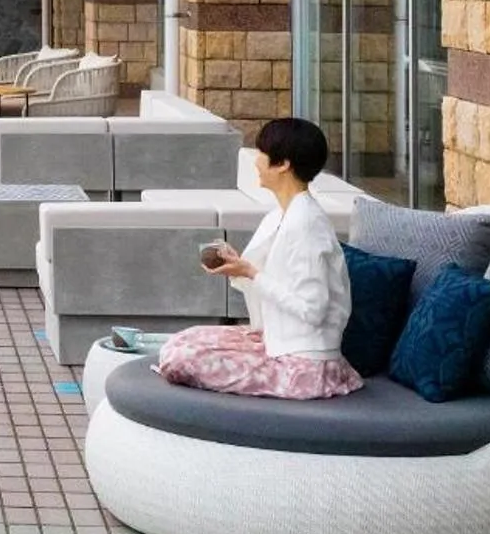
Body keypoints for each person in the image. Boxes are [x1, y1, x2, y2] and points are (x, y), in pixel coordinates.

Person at [153, 116, 361, 401]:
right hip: (278, 341)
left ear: (283, 164)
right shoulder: (282, 215)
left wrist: (251, 273)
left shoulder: (306, 225)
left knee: (181, 358)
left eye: (262, 153)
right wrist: (238, 267)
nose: (256, 161)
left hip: (304, 365)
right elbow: (275, 281)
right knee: (180, 342)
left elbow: (313, 309)